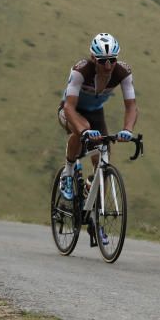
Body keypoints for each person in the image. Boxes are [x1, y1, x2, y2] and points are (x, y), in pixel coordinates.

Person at [57, 33, 139, 205]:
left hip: (95, 112)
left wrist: (127, 130)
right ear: (93, 58)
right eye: (103, 61)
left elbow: (131, 106)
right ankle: (68, 172)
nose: (108, 66)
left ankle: (94, 207)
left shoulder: (123, 72)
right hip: (71, 110)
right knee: (82, 129)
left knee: (103, 156)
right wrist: (83, 131)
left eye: (112, 60)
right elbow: (69, 107)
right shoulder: (81, 70)